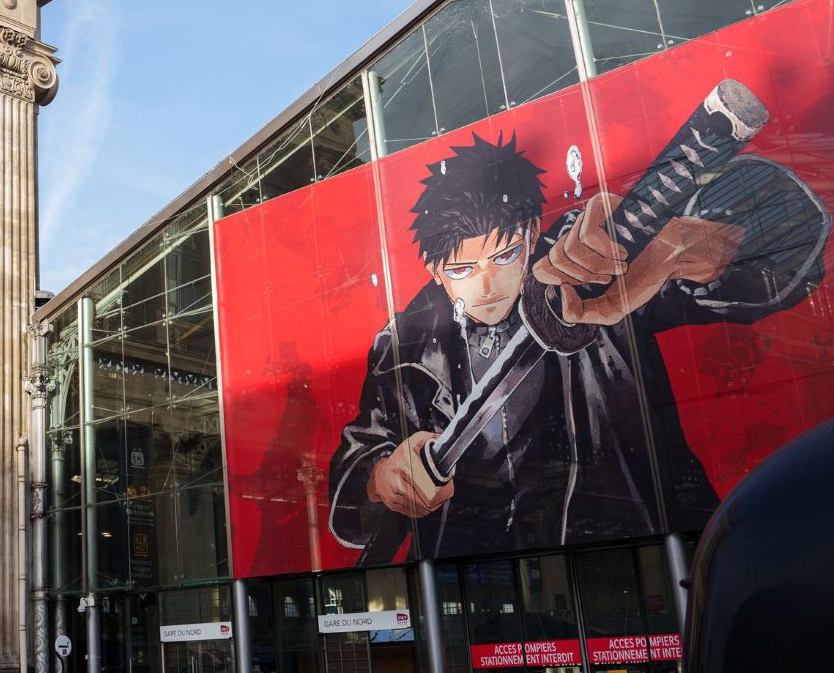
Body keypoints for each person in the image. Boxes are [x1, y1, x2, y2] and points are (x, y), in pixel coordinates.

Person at [327, 131, 827, 558]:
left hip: (635, 548)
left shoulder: (587, 270)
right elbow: (354, 484)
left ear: (530, 234)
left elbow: (782, 237)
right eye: (462, 269)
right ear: (436, 269)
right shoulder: (405, 345)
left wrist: (698, 247)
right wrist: (381, 478)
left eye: (505, 256)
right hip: (474, 578)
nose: (487, 286)